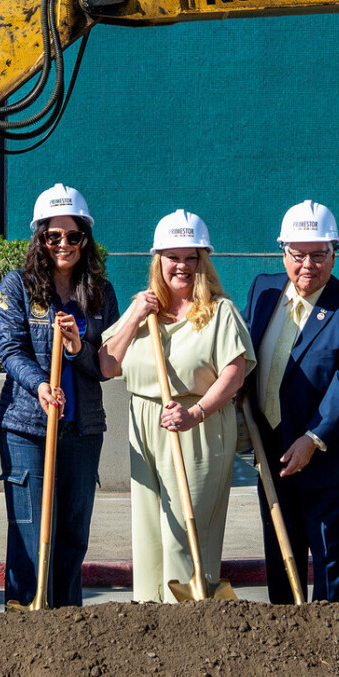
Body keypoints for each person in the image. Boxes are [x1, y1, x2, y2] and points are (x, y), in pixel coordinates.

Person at [100, 210, 255, 603]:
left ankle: (188, 615)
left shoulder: (221, 313)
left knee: (184, 533)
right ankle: (152, 614)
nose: (182, 266)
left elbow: (234, 374)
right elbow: (107, 365)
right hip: (144, 423)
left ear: (203, 262)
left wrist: (196, 412)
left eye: (191, 258)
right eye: (173, 257)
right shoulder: (142, 312)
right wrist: (135, 314)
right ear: (159, 261)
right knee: (150, 529)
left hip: (197, 425)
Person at [0, 185, 120, 608]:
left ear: (85, 239)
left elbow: (105, 366)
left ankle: (68, 626)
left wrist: (75, 349)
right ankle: (26, 620)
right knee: (31, 530)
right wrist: (41, 385)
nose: (62, 244)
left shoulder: (101, 293)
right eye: (53, 236)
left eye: (72, 236)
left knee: (71, 532)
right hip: (27, 426)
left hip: (82, 430)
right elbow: (10, 351)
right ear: (40, 240)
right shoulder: (17, 287)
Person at [241, 200, 339, 602]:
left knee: (331, 567)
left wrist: (313, 439)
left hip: (327, 461)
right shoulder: (263, 290)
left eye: (319, 255)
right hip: (272, 454)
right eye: (298, 255)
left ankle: (334, 645)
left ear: (335, 253)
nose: (308, 265)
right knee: (282, 559)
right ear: (283, 253)